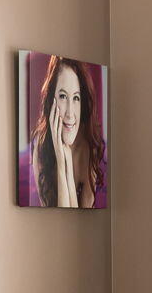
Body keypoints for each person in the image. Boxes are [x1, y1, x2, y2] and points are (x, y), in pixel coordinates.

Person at [31, 56, 104, 207]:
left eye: (76, 98)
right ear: (52, 100)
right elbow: (57, 218)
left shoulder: (89, 147)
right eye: (63, 96)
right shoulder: (41, 145)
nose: (70, 113)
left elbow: (80, 220)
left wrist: (67, 163)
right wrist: (60, 155)